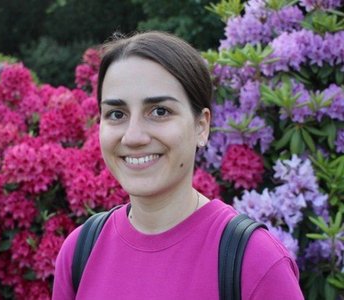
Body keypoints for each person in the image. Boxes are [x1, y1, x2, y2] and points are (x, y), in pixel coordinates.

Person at [52, 31, 304, 300]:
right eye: (117, 114)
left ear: (201, 126)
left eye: (160, 111)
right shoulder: (80, 251)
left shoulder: (255, 261)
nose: (134, 136)